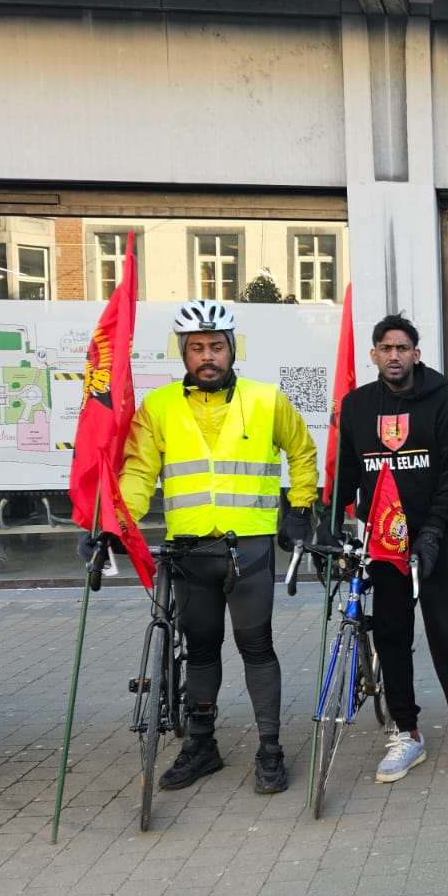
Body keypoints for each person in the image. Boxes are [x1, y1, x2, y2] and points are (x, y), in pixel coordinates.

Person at [118, 299, 318, 795]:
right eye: (197, 348)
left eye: (216, 346)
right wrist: (116, 523)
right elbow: (140, 472)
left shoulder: (266, 399)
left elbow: (303, 450)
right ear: (183, 353)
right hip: (188, 550)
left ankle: (270, 749)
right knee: (202, 650)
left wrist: (299, 506)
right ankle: (201, 746)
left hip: (247, 549)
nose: (208, 356)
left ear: (232, 349)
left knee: (257, 647)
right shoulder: (158, 407)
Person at [327, 314, 448, 785]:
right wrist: (323, 523)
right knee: (391, 639)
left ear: (416, 354)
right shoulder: (358, 406)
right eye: (385, 348)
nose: (394, 355)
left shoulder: (445, 401)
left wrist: (433, 532)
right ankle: (407, 732)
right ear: (374, 355)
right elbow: (344, 474)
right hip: (383, 543)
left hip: (438, 541)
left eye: (403, 348)